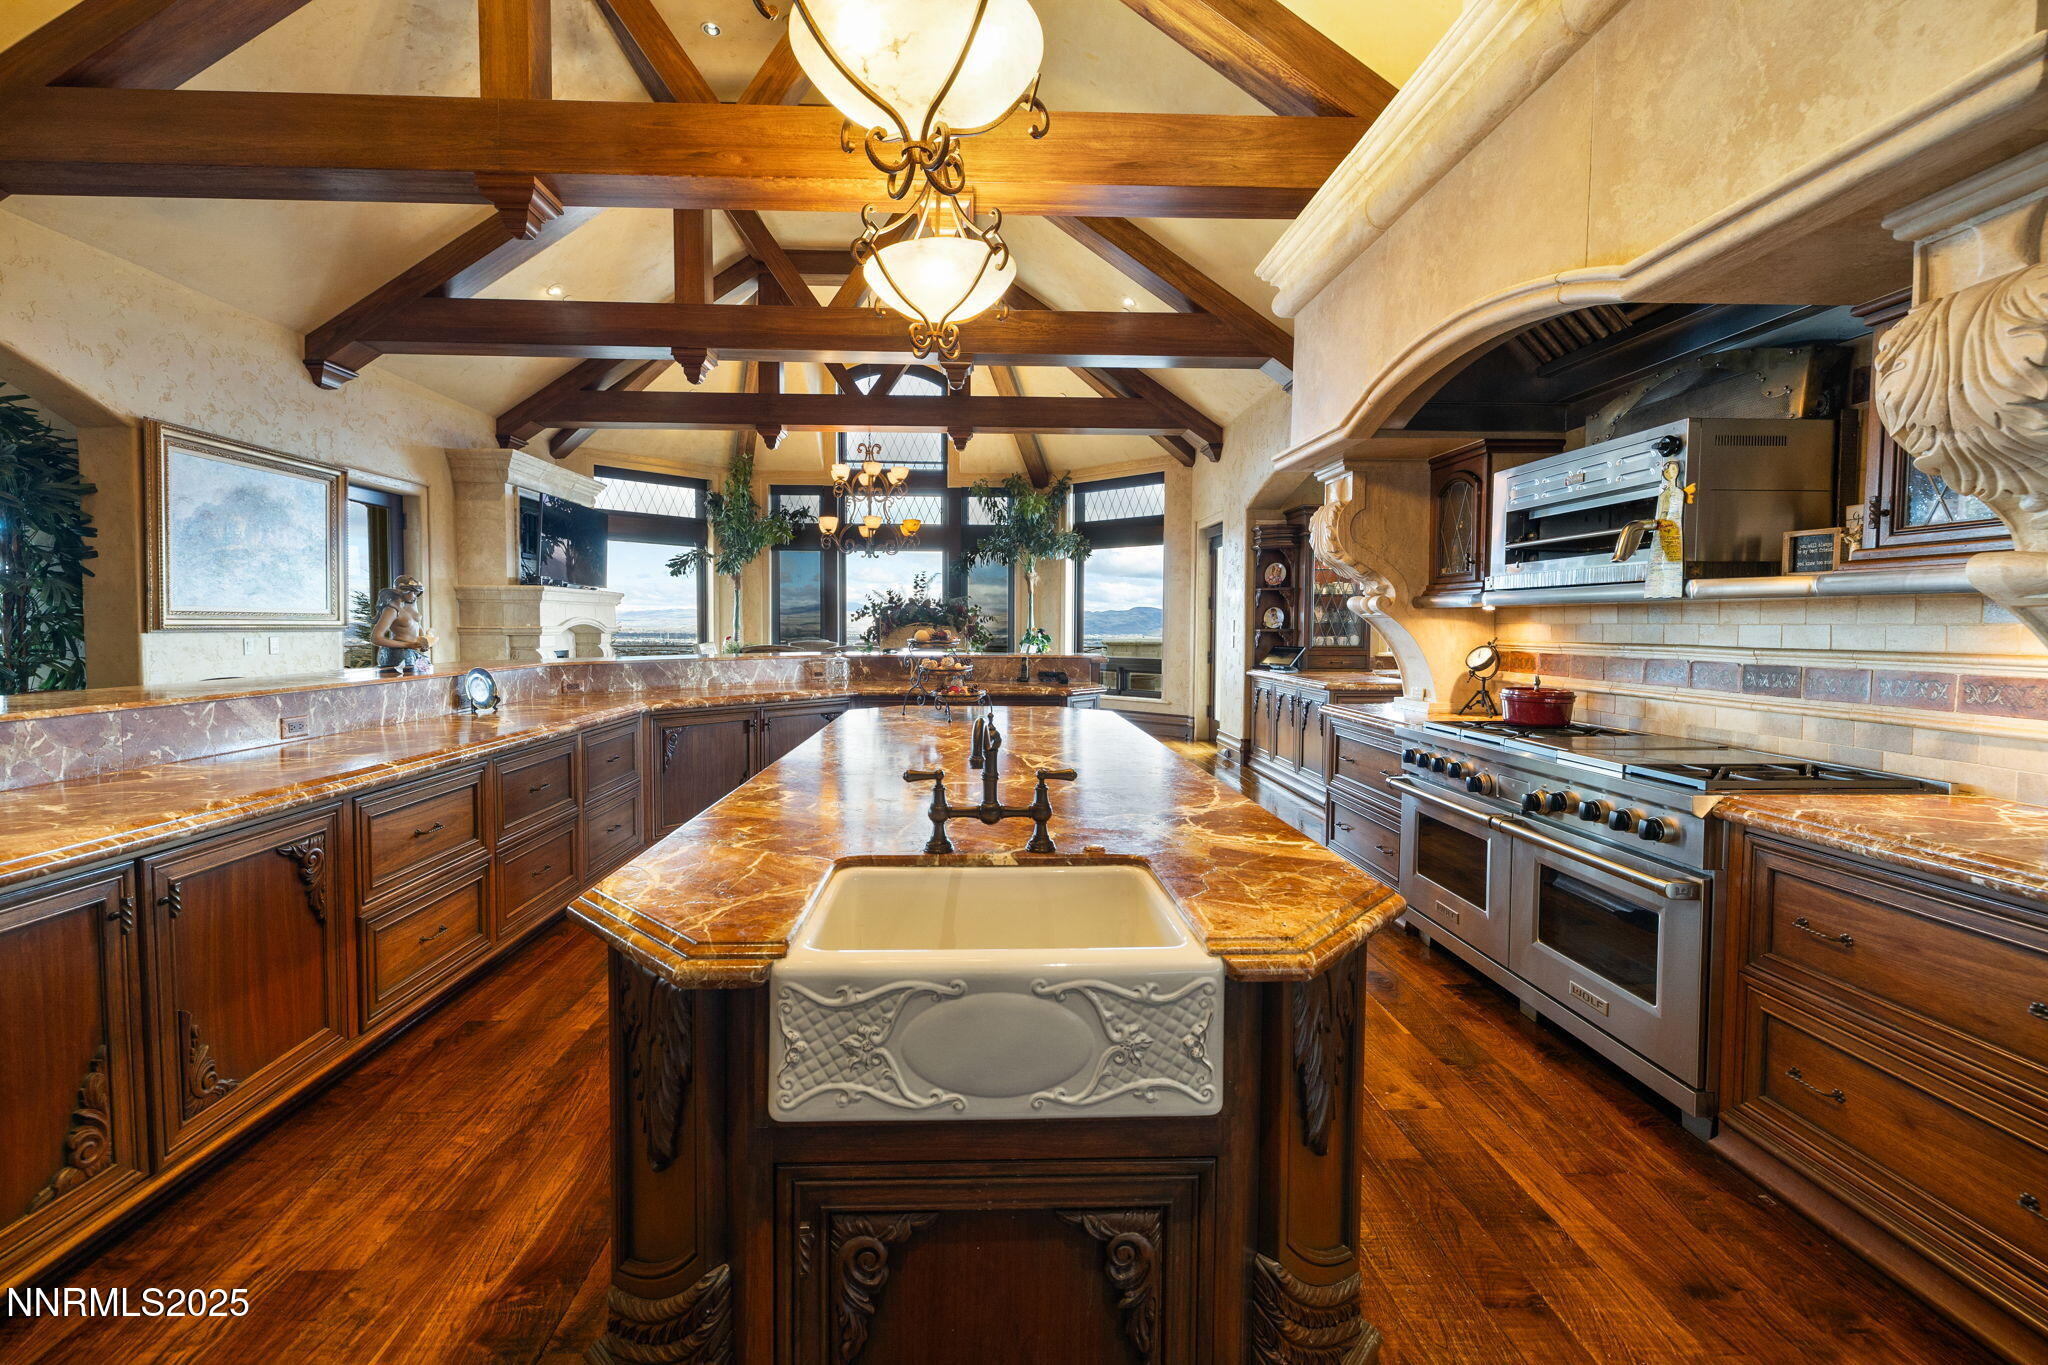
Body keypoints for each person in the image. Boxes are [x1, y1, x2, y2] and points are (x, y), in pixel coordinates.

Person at [369, 575, 432, 672]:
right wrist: (407, 645)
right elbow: (376, 638)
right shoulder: (392, 610)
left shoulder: (411, 604)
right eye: (413, 593)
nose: (415, 596)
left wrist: (424, 641)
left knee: (426, 671)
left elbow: (416, 624)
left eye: (416, 593)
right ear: (403, 591)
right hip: (398, 653)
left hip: (412, 650)